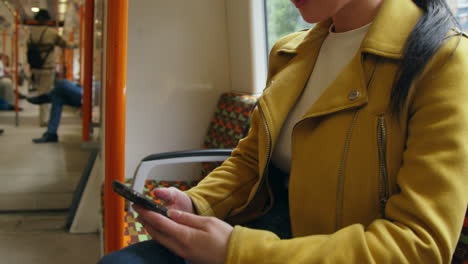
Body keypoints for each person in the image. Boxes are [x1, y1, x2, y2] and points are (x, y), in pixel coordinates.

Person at [99, 0, 468, 263]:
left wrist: (237, 251)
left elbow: (419, 247)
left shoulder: (443, 62)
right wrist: (196, 202)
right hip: (266, 228)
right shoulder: (290, 53)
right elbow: (249, 158)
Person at [28, 9, 77, 127]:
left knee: (41, 91)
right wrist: (77, 44)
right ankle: (43, 120)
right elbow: (66, 44)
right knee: (45, 94)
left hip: (35, 67)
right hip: (47, 68)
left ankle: (42, 117)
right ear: (46, 20)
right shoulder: (51, 33)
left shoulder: (31, 33)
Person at [27, 79, 82, 143]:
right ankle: (51, 134)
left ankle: (46, 97)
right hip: (83, 90)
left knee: (63, 83)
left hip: (87, 93)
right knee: (57, 98)